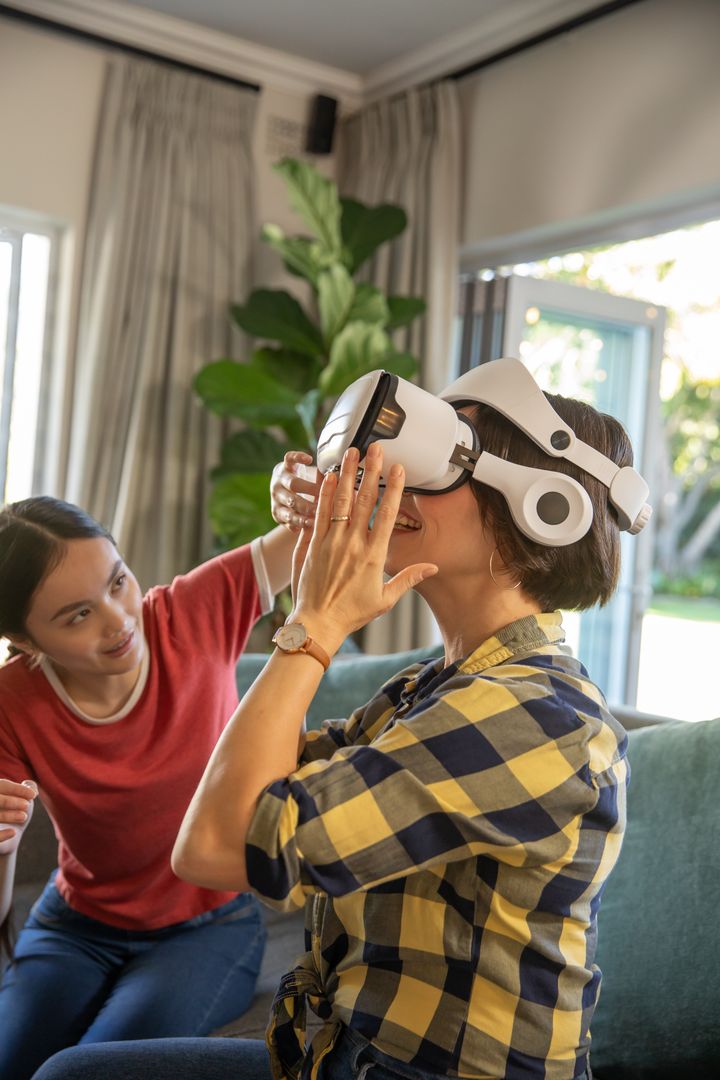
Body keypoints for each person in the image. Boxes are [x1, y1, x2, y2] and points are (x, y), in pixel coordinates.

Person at [31, 365, 642, 1080]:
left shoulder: (534, 717)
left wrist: (315, 623)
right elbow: (249, 789)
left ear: (544, 509)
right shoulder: (433, 689)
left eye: (444, 463)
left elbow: (216, 847)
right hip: (345, 1057)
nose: (396, 487)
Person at [0, 485, 306, 1080]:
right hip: (74, 927)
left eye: (117, 582)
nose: (118, 622)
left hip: (207, 928)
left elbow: (316, 532)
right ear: (28, 642)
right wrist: (5, 846)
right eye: (78, 615)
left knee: (77, 1075)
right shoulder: (13, 702)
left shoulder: (194, 609)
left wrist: (302, 488)